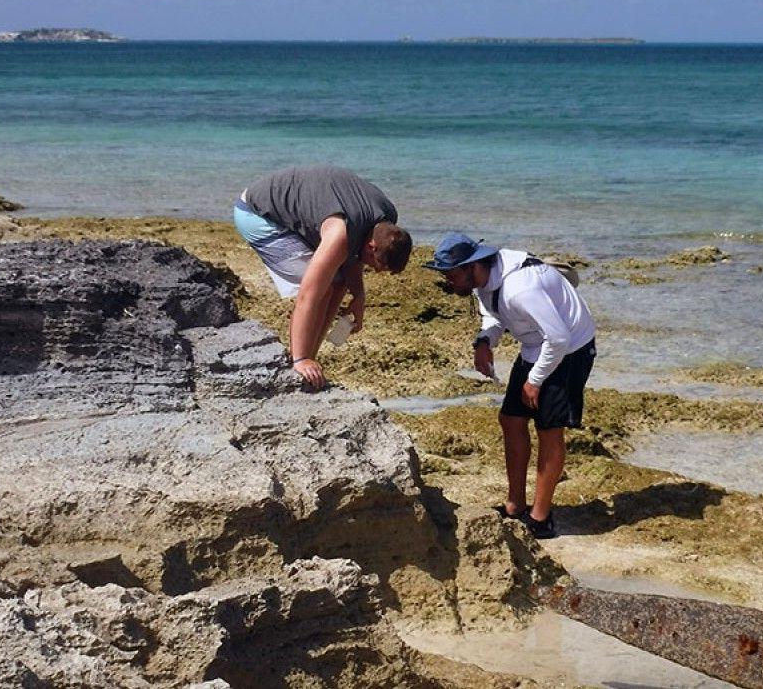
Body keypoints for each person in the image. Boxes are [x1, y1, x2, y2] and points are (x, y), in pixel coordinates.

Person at [426, 233, 596, 539]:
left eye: (451, 275)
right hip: (537, 346)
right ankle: (515, 505)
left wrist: (535, 379)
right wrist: (484, 342)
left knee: (549, 429)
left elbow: (558, 338)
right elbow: (493, 315)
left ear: (473, 265)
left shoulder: (520, 289)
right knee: (511, 419)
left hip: (570, 350)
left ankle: (541, 519)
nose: (447, 282)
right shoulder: (483, 280)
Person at [233, 165, 412, 389]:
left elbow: (352, 257)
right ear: (371, 246)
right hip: (256, 213)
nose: (375, 271)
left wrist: (359, 295)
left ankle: (310, 358)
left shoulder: (386, 219)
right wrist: (301, 358)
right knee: (323, 288)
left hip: (300, 205)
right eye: (378, 265)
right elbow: (308, 295)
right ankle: (300, 360)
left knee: (339, 284)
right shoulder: (339, 235)